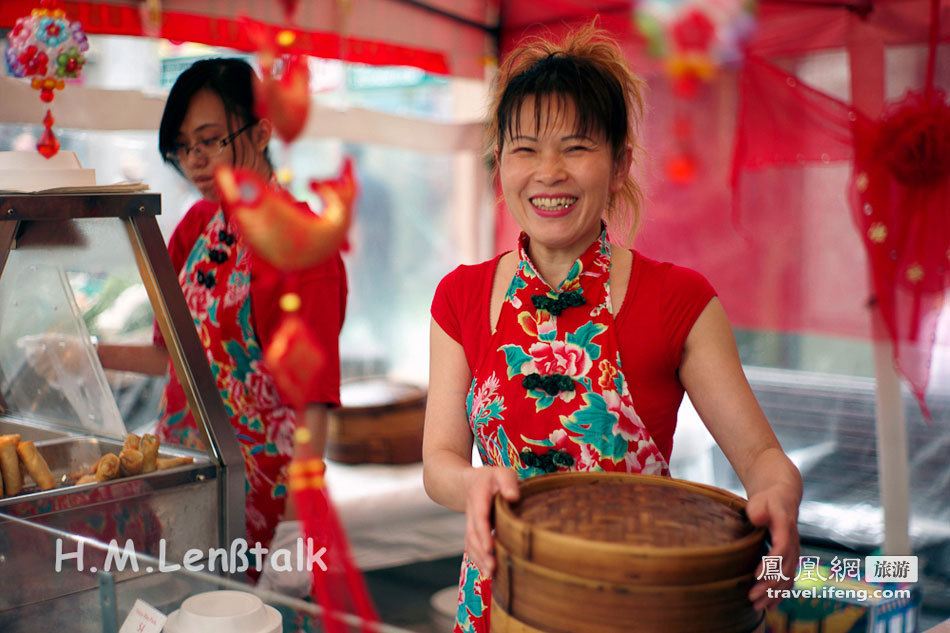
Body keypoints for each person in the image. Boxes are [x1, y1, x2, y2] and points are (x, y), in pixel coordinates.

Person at [422, 25, 802, 632]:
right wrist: (472, 482)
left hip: (642, 607)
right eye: (524, 149)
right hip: (502, 604)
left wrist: (781, 494)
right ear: (501, 165)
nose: (548, 172)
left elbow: (761, 457)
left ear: (620, 163)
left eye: (575, 147)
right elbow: (439, 460)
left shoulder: (680, 299)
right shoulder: (460, 297)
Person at [97, 58, 347, 579]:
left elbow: (314, 403)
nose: (196, 161)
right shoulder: (194, 228)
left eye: (210, 140)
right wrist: (85, 353)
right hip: (183, 475)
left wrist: (299, 531)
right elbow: (176, 362)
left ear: (260, 132)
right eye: (185, 146)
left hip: (265, 500)